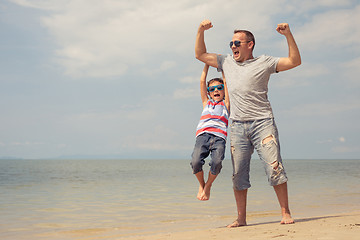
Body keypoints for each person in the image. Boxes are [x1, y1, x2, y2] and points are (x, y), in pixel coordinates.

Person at [195, 20, 301, 226]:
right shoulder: (225, 61)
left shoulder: (265, 62)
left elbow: (295, 61)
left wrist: (288, 35)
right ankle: (241, 218)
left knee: (274, 167)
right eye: (231, 44)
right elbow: (200, 54)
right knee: (238, 174)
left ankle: (285, 212)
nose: (233, 46)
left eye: (237, 43)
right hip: (236, 125)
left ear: (249, 44)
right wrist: (200, 31)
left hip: (263, 123)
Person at [190, 63, 230, 201]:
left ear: (224, 90)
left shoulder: (226, 104)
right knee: (195, 162)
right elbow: (202, 81)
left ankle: (208, 185)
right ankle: (202, 185)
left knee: (217, 162)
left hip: (219, 138)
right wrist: (206, 64)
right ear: (208, 92)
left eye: (219, 88)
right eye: (212, 89)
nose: (216, 90)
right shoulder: (206, 103)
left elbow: (226, 82)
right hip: (203, 136)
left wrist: (223, 70)